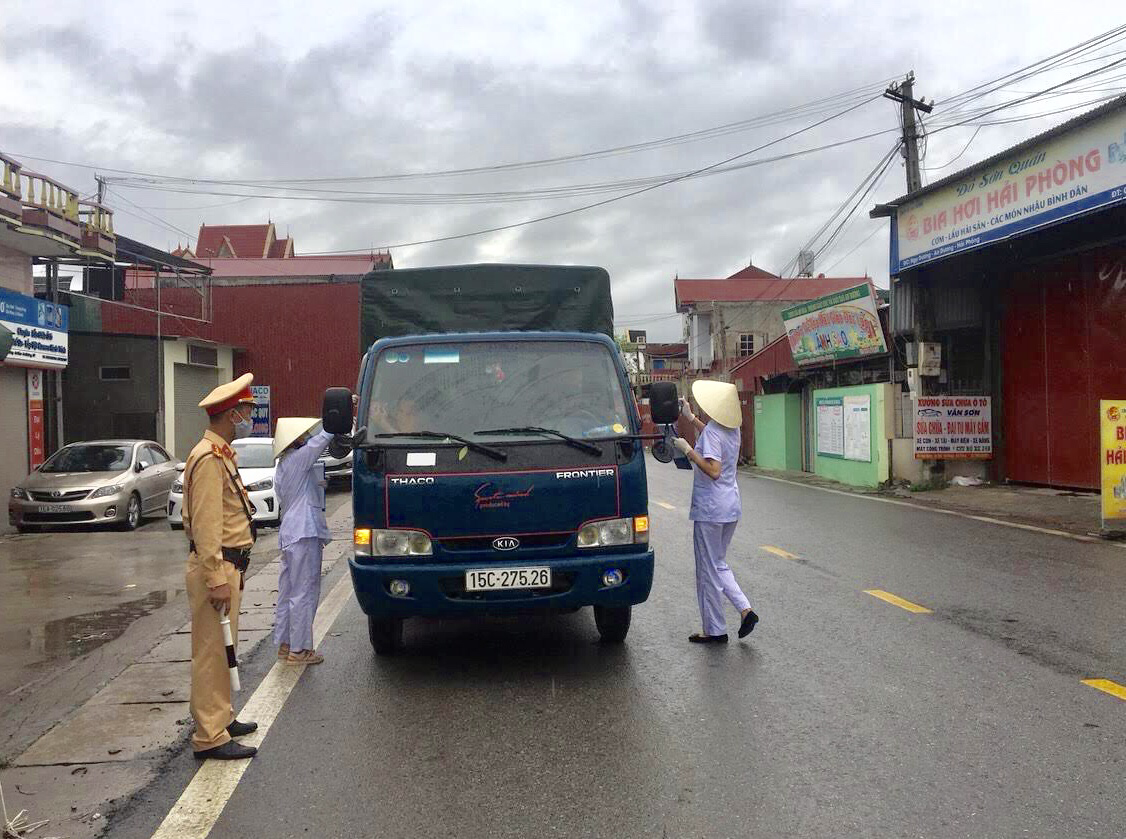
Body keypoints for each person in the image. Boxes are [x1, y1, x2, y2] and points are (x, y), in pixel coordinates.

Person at [182, 372, 259, 760]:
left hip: (230, 566)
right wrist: (215, 578)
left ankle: (223, 717)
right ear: (232, 415)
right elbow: (207, 525)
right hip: (218, 566)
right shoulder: (209, 459)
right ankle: (210, 736)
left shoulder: (220, 454)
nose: (249, 416)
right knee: (213, 652)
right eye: (246, 410)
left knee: (224, 648)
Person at [672, 380, 758, 644]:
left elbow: (713, 470)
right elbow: (711, 434)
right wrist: (692, 418)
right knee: (718, 563)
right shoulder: (732, 430)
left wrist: (688, 451)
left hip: (710, 510)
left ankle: (714, 629)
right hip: (730, 506)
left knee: (707, 570)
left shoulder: (711, 434)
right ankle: (746, 610)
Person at [272, 418, 334, 665]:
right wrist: (337, 419)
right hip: (303, 531)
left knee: (288, 591)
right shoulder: (299, 459)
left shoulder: (283, 466)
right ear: (296, 440)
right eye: (303, 435)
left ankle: (286, 644)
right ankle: (300, 650)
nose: (307, 437)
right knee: (304, 591)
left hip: (290, 532)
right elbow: (322, 440)